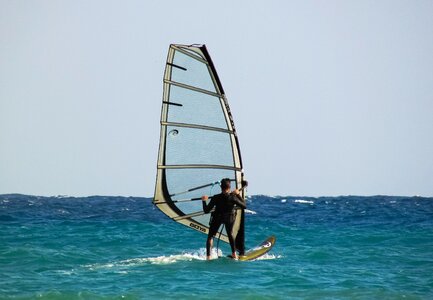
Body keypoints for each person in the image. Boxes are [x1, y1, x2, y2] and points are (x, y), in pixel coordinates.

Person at [201, 178, 247, 260]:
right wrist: (238, 194)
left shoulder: (215, 197)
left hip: (217, 217)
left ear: (221, 187)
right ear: (229, 187)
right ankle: (234, 254)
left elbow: (206, 210)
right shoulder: (233, 197)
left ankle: (208, 257)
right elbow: (244, 206)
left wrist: (204, 201)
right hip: (229, 218)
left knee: (211, 236)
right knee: (230, 234)